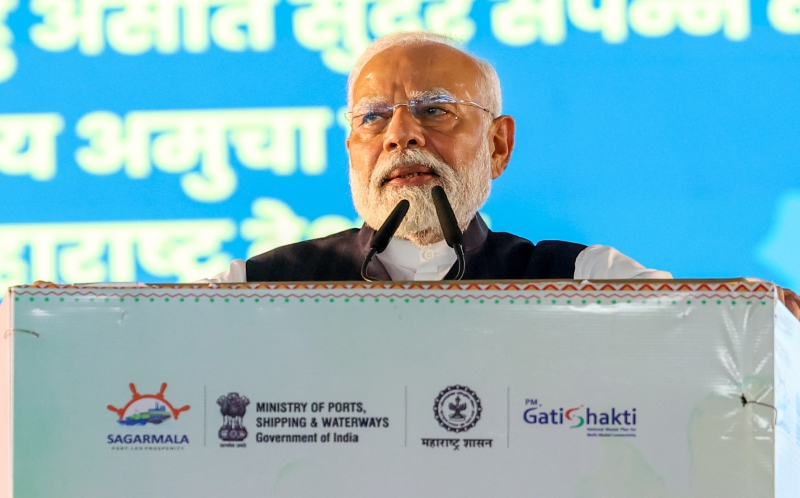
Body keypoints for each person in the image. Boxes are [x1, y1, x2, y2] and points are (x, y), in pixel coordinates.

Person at [201, 31, 800, 319]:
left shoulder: (584, 278)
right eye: (373, 118)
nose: (400, 134)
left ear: (497, 144)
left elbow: (723, 326)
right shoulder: (249, 287)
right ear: (352, 147)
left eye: (434, 110)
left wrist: (768, 315)